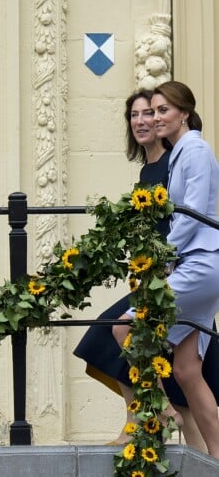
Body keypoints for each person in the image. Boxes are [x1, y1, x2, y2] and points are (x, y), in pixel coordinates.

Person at [74, 89, 219, 450]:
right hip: (189, 263)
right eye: (147, 112)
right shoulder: (180, 154)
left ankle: (160, 411)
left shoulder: (193, 152)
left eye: (160, 110)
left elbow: (191, 213)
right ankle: (214, 459)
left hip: (196, 263)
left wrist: (165, 261)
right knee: (187, 371)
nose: (152, 118)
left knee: (124, 327)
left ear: (184, 113)